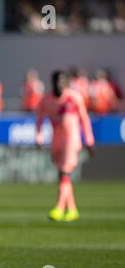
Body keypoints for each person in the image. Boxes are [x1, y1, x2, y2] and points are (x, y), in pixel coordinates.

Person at [36, 71, 95, 222]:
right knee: (62, 175)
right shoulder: (46, 100)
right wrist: (39, 137)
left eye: (61, 81)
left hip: (71, 140)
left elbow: (84, 119)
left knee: (63, 173)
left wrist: (89, 141)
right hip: (56, 139)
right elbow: (39, 119)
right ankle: (73, 210)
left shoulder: (74, 97)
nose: (58, 84)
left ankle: (59, 208)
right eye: (56, 81)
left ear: (66, 83)